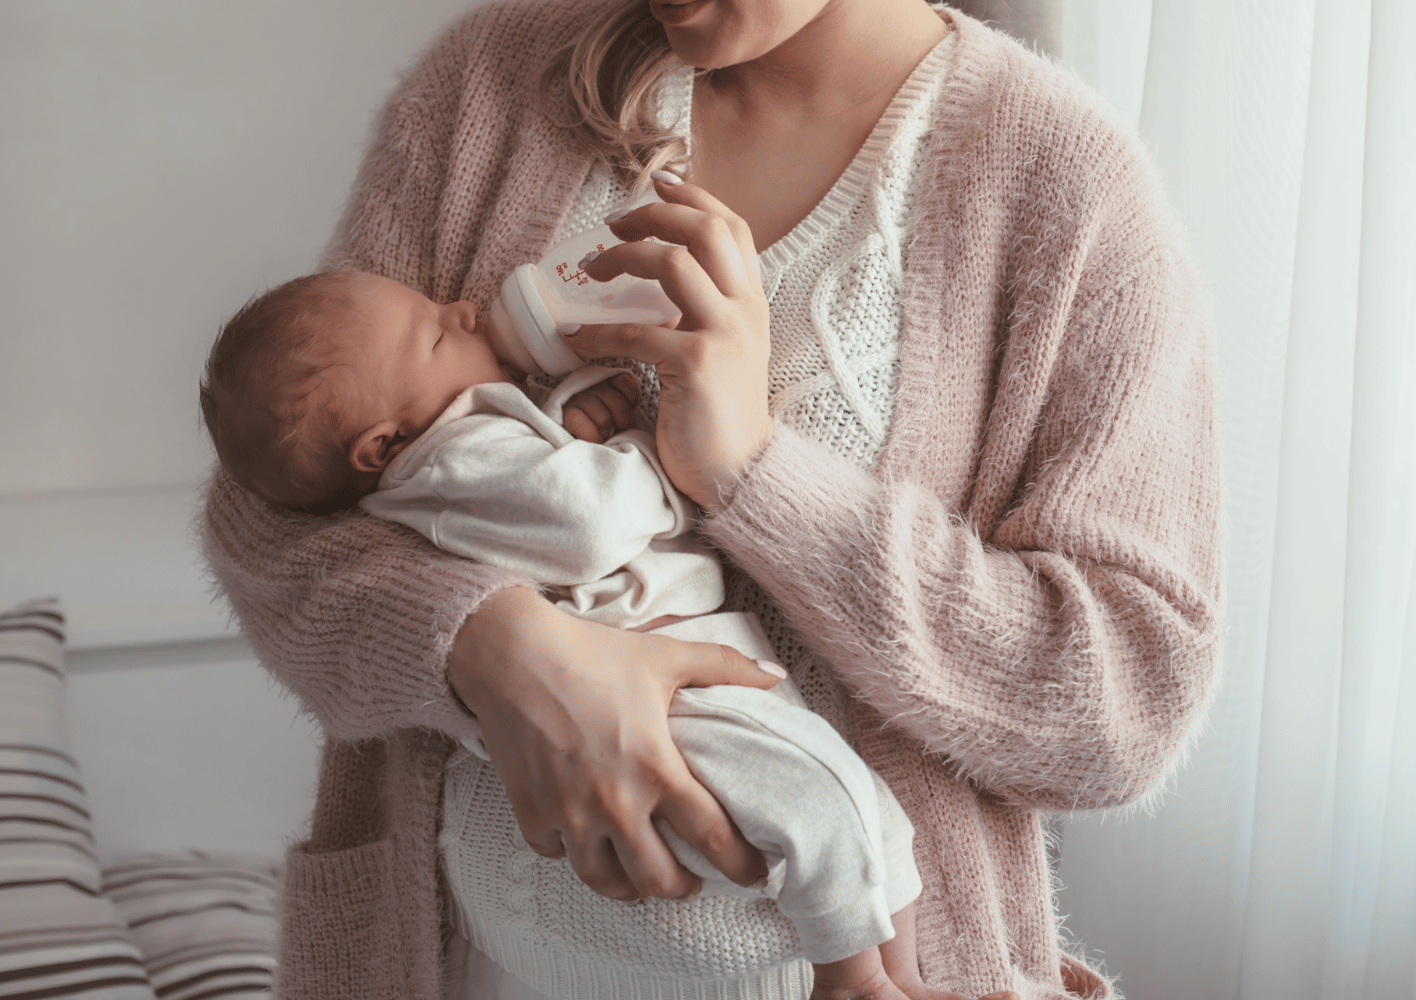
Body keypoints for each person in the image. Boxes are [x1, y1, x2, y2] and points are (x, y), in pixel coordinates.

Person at [199, 1, 1222, 998]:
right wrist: (490, 645)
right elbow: (277, 502)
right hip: (470, 966)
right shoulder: (489, 88)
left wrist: (753, 474)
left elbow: (1123, 705)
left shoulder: (1062, 182)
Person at [197, 267, 948, 1000]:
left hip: (680, 673)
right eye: (433, 336)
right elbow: (593, 522)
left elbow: (534, 496)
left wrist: (573, 428)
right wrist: (658, 452)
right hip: (658, 702)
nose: (460, 309)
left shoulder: (455, 454)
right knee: (818, 809)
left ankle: (900, 978)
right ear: (384, 444)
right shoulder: (452, 456)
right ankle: (852, 982)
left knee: (865, 810)